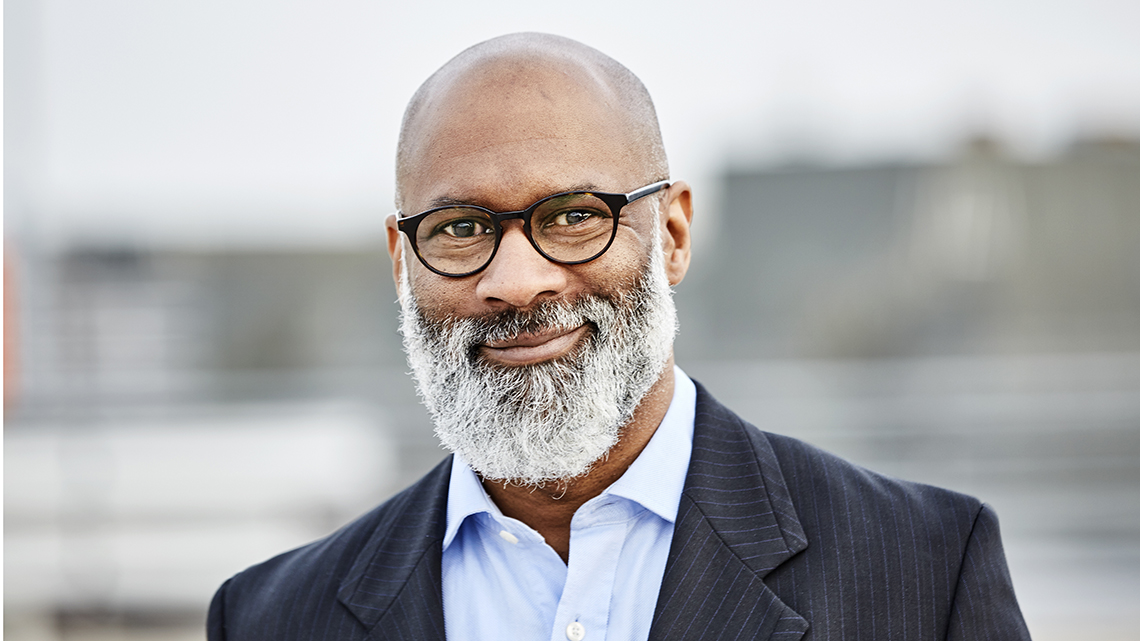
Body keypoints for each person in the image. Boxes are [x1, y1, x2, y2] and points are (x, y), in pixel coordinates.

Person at [207, 33, 1030, 641]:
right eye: (460, 227)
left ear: (671, 235)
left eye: (573, 217)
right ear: (402, 261)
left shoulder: (925, 572)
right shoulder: (270, 619)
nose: (518, 280)